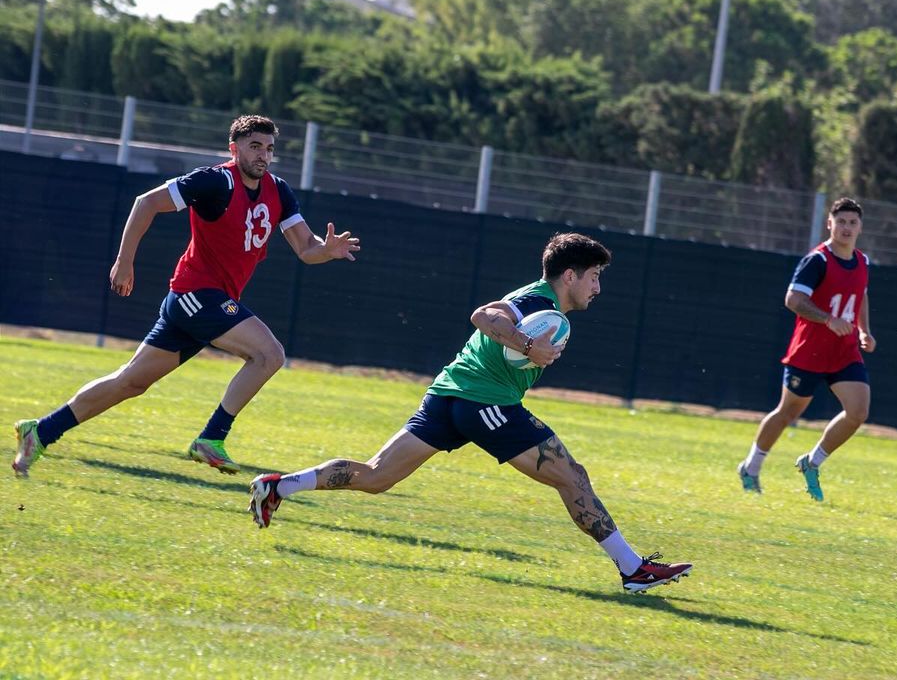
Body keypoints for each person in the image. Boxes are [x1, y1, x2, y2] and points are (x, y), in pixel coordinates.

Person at [248, 232, 693, 594]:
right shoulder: (538, 303)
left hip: (447, 395)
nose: (598, 288)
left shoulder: (541, 302)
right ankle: (633, 569)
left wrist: (525, 345)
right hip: (486, 403)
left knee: (375, 476)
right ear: (571, 275)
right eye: (594, 277)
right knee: (572, 476)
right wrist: (528, 345)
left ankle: (279, 486)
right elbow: (483, 315)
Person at [12, 115, 360, 478]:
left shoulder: (279, 191)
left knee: (130, 382)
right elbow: (146, 203)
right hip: (196, 294)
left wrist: (327, 249)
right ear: (234, 148)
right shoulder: (214, 181)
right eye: (255, 146)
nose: (263, 155)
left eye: (269, 148)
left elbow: (306, 248)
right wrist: (124, 261)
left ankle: (41, 430)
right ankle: (212, 437)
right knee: (269, 354)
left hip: (203, 303)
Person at [736, 197, 876, 501]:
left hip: (845, 351)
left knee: (858, 411)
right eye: (841, 222)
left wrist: (864, 330)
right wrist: (828, 319)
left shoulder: (863, 261)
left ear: (860, 226)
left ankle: (812, 463)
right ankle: (751, 466)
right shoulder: (818, 260)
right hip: (809, 351)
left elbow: (860, 294)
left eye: (852, 222)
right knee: (787, 412)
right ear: (830, 223)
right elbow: (793, 301)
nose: (846, 227)